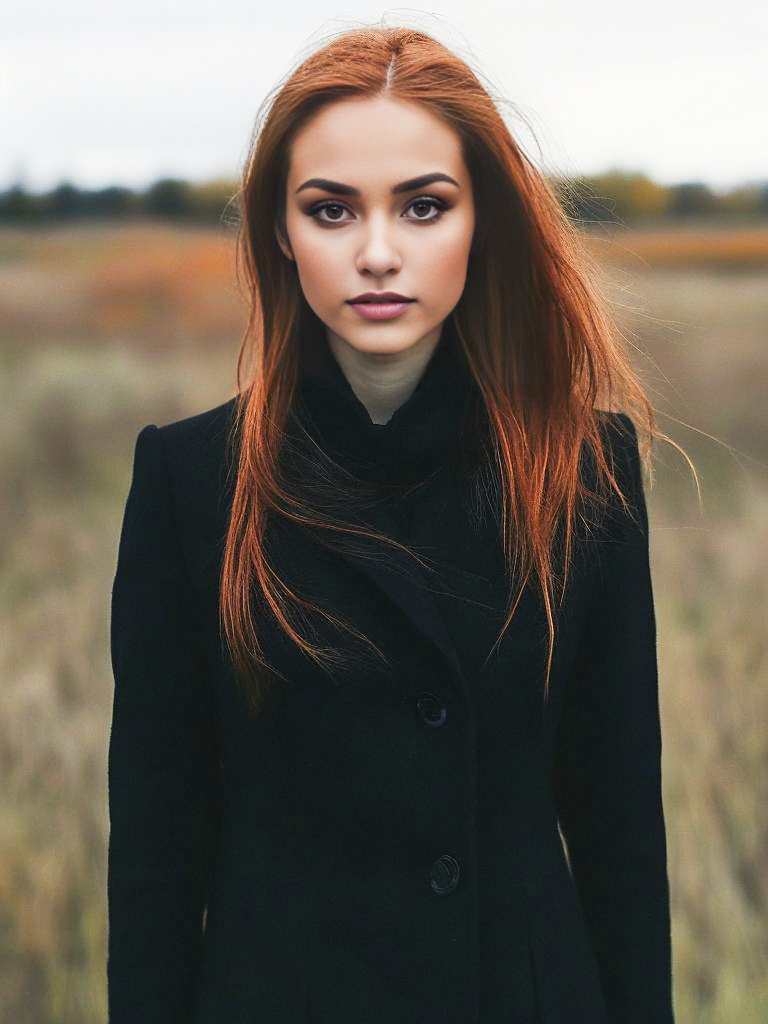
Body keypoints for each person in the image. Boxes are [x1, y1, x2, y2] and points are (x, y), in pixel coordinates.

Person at [106, 23, 681, 1024]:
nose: (378, 253)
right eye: (331, 210)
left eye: (423, 206)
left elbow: (622, 836)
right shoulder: (191, 481)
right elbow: (156, 862)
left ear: (481, 222)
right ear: (280, 232)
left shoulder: (584, 471)